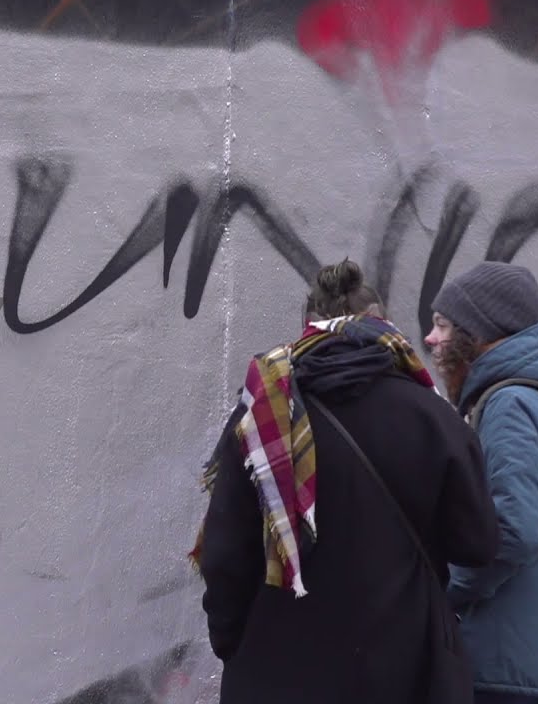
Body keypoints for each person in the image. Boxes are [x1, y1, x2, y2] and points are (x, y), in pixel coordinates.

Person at [191, 258, 498, 704]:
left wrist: (232, 644)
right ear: (383, 325)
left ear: (307, 328)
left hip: (275, 672)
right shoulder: (432, 418)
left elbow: (225, 554)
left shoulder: (265, 417)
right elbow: (478, 544)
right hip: (403, 673)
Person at [423, 261, 538, 704]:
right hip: (526, 664)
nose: (430, 339)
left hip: (510, 674)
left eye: (442, 325)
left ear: (477, 333)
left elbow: (512, 530)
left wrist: (444, 596)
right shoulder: (527, 397)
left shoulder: (510, 405)